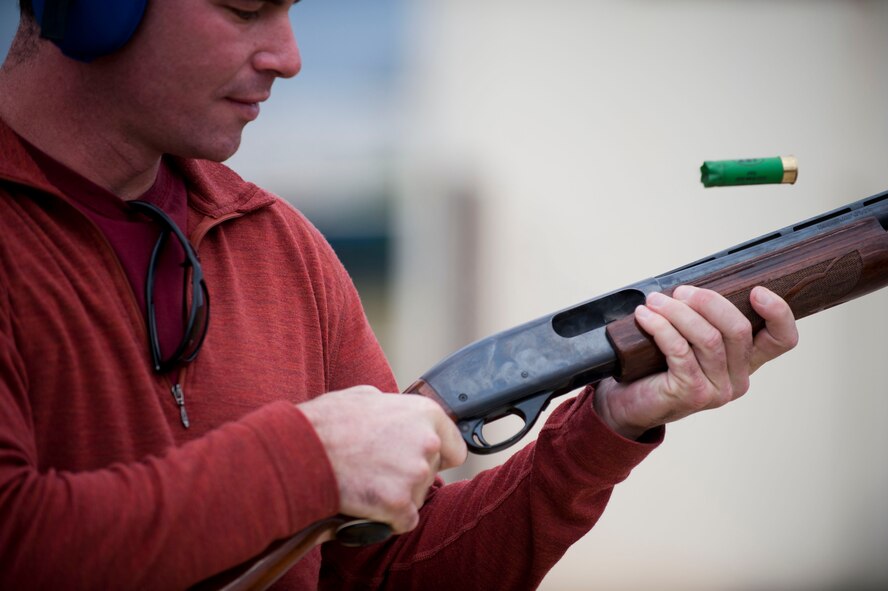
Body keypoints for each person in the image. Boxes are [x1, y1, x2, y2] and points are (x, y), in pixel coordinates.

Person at [0, 1, 799, 589]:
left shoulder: (280, 246)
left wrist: (603, 429)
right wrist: (307, 458)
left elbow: (381, 574)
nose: (289, 55)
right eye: (246, 8)